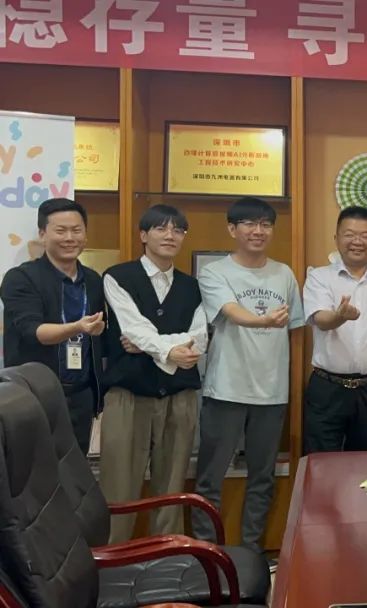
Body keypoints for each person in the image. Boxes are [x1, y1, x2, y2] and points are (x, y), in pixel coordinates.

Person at [193, 197, 304, 554]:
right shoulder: (215, 272)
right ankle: (206, 554)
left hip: (272, 392)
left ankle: (251, 552)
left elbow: (296, 328)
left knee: (262, 478)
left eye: (266, 224)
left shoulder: (284, 274)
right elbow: (230, 311)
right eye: (249, 224)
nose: (258, 231)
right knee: (210, 478)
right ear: (232, 229)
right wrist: (263, 320)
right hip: (226, 389)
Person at [99, 205, 206, 542]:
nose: (170, 235)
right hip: (128, 395)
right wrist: (171, 350)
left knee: (173, 484)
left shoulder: (192, 285)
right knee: (119, 483)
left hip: (180, 395)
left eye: (178, 230)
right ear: (143, 235)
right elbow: (133, 326)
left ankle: (169, 556)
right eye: (161, 228)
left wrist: (153, 347)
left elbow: (199, 337)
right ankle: (114, 558)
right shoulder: (117, 277)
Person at [1, 198, 105, 454]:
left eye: (76, 230)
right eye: (61, 230)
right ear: (42, 234)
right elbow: (34, 332)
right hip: (33, 395)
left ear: (85, 234)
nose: (69, 238)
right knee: (33, 469)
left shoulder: (93, 280)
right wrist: (78, 327)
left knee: (76, 467)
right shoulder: (21, 278)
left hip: (81, 395)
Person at [303, 206, 367, 453]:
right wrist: (339, 317)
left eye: (365, 235)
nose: (357, 242)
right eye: (349, 234)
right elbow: (321, 319)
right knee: (321, 462)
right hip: (327, 386)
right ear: (336, 238)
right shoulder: (319, 277)